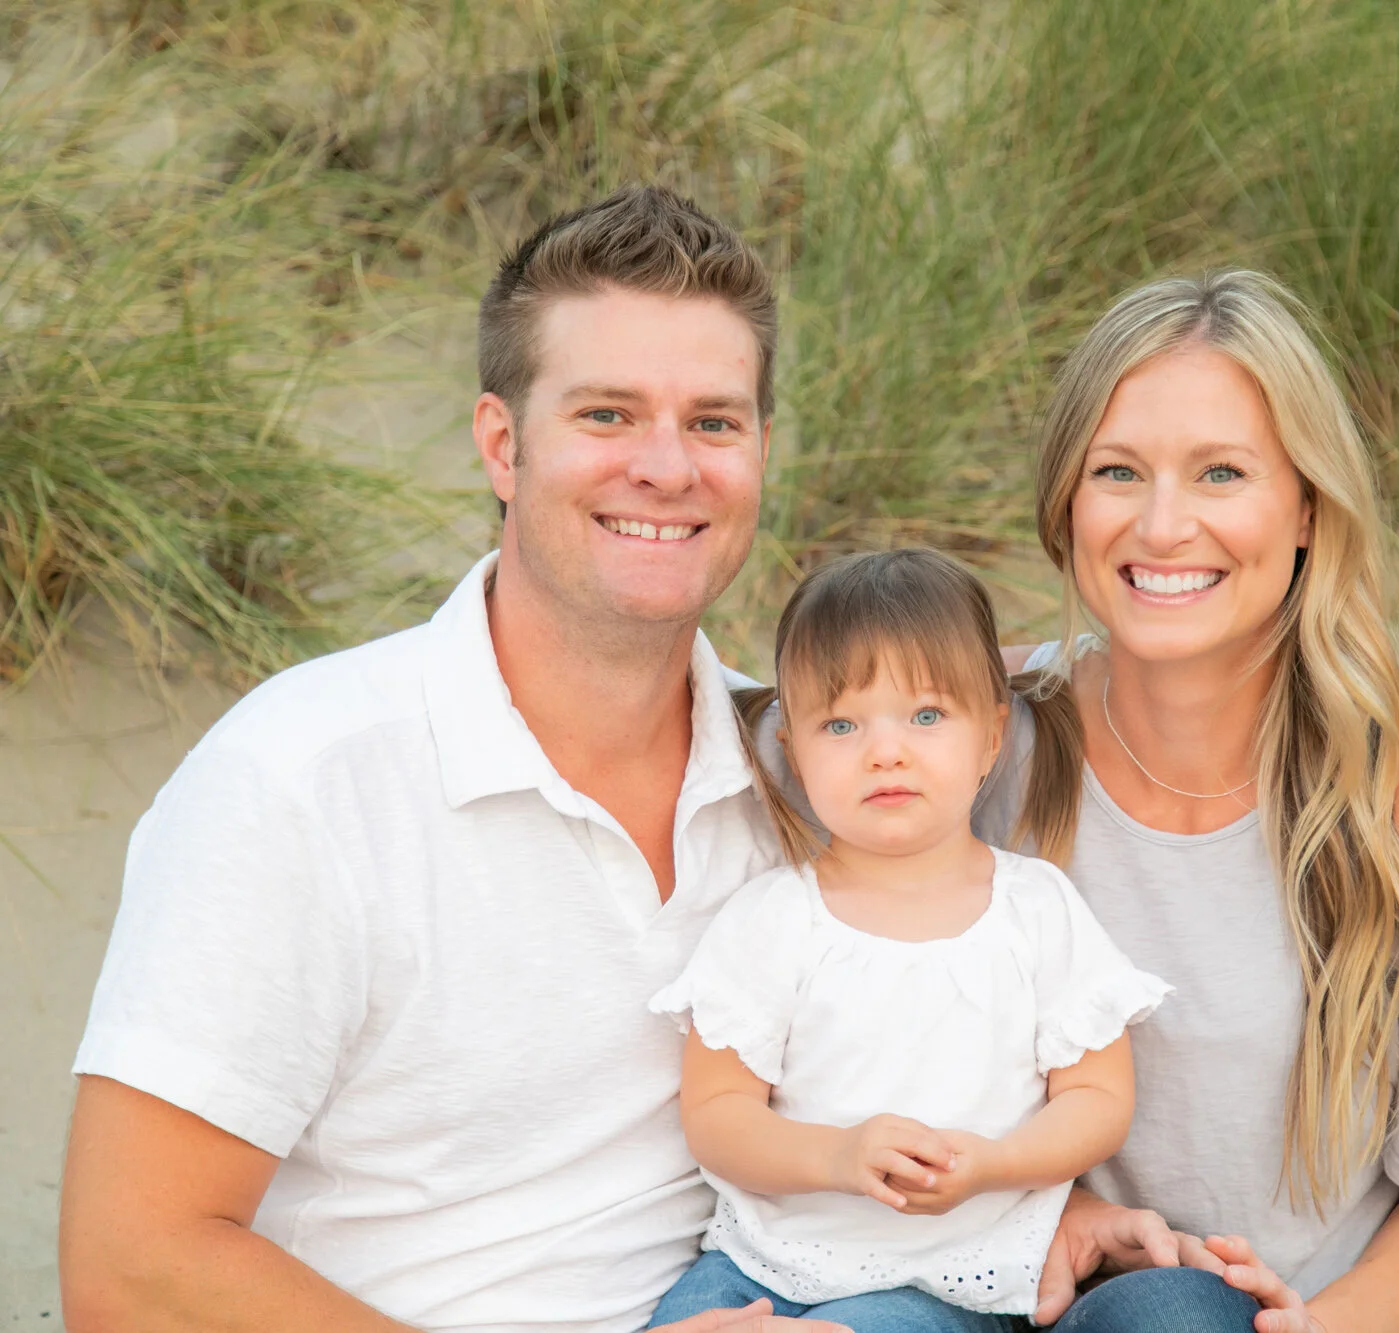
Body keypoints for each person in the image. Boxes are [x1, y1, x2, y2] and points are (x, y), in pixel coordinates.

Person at [57, 185, 849, 1333]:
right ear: (501, 445)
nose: (667, 467)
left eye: (714, 423)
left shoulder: (802, 775)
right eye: (608, 414)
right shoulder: (302, 781)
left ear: (761, 451)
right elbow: (129, 1272)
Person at [986, 271, 1399, 1332]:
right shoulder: (975, 739)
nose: (1163, 525)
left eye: (1221, 473)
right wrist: (1051, 1208)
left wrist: (1316, 1326)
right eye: (1117, 471)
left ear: (1305, 506)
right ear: (1067, 502)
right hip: (1060, 1304)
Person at [648, 549, 1168, 1332]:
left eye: (926, 715)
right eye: (841, 724)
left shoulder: (1036, 909)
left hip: (953, 1274)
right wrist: (835, 1155)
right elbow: (719, 1113)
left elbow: (1096, 1097)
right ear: (794, 752)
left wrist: (994, 1163)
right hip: (763, 1263)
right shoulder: (770, 919)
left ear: (991, 736)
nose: (885, 750)